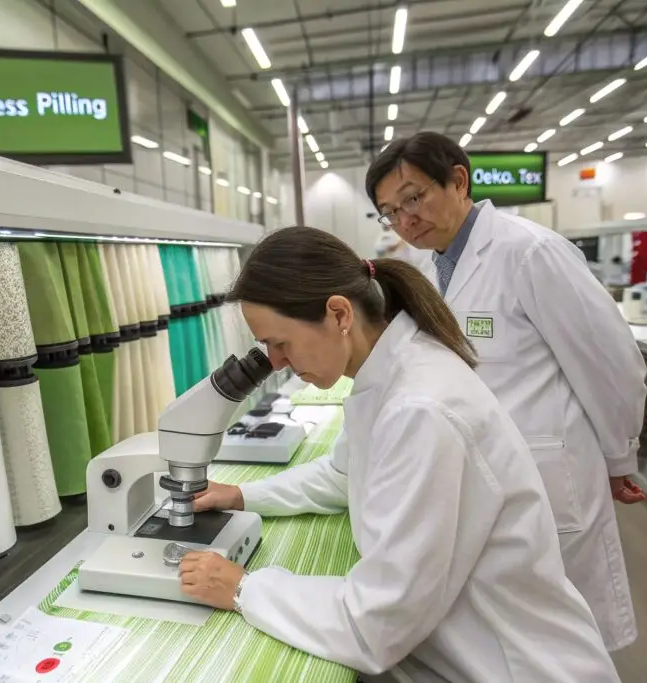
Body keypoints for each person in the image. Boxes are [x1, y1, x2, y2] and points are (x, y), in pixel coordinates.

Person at [177, 226, 621, 683]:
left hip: (512, 665)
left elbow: (377, 624)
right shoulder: (389, 373)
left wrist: (245, 588)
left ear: (338, 313)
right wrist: (240, 496)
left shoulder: (420, 407)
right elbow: (342, 476)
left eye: (281, 342)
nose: (276, 361)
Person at [364, 131, 647, 652]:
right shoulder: (429, 269)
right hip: (482, 472)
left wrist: (618, 457)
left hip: (549, 470)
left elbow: (611, 364)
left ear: (458, 180)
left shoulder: (530, 252)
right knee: (513, 634)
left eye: (413, 198)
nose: (404, 220)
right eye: (389, 211)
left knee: (570, 638)